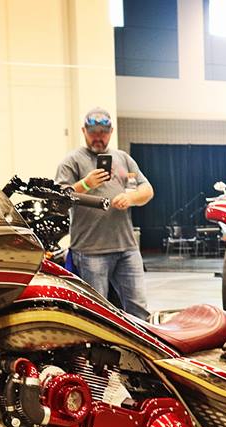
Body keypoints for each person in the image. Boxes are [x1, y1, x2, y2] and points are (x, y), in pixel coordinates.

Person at [55, 107, 154, 320]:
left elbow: (147, 190)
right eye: (93, 132)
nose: (98, 137)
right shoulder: (72, 161)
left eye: (104, 132)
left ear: (111, 132)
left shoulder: (123, 159)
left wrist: (131, 198)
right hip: (90, 251)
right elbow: (59, 199)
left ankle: (137, 343)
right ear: (84, 131)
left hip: (127, 248)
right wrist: (86, 184)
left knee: (138, 310)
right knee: (99, 314)